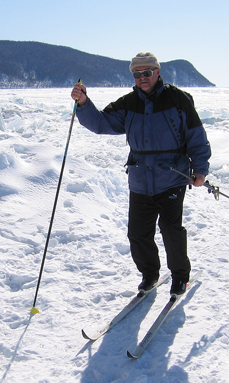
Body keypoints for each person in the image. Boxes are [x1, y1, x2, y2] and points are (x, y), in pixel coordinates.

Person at [70, 52, 211, 296]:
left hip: (172, 177)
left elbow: (196, 136)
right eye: (137, 74)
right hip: (140, 179)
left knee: (170, 228)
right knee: (137, 233)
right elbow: (102, 123)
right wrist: (83, 103)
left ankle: (179, 276)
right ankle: (150, 274)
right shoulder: (128, 103)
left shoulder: (178, 100)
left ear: (157, 72)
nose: (142, 78)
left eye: (147, 72)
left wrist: (199, 169)